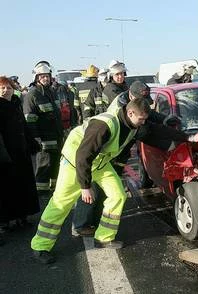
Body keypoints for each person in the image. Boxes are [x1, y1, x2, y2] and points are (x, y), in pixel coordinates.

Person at [30, 98, 150, 264]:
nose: (144, 123)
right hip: (74, 163)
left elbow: (159, 132)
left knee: (118, 195)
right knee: (60, 203)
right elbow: (83, 156)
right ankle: (40, 246)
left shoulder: (132, 124)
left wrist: (190, 138)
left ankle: (104, 237)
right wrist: (85, 186)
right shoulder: (104, 125)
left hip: (99, 163)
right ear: (130, 113)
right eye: (141, 119)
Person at [0, 76, 40, 238]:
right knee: (5, 190)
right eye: (2, 88)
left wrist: (32, 143)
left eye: (8, 87)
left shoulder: (16, 103)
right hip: (4, 155)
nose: (5, 90)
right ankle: (4, 222)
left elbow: (24, 126)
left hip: (20, 154)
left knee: (23, 186)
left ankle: (22, 217)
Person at [23, 61, 64, 197]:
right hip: (44, 142)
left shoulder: (51, 92)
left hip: (56, 138)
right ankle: (42, 195)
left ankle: (54, 191)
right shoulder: (32, 95)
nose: (45, 78)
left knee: (55, 167)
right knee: (43, 169)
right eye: (42, 76)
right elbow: (30, 121)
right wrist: (37, 140)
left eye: (47, 75)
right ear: (36, 78)